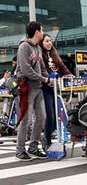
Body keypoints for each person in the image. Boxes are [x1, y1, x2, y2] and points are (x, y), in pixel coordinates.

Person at [15, 21, 51, 160]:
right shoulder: (24, 47)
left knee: (42, 117)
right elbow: (26, 70)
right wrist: (45, 79)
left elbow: (42, 68)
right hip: (27, 88)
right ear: (36, 32)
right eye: (41, 30)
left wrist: (49, 79)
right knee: (26, 120)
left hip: (38, 88)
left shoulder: (37, 48)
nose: (43, 32)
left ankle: (33, 147)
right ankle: (20, 149)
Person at [40, 34, 72, 150]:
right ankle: (46, 139)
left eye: (50, 41)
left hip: (56, 89)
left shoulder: (54, 54)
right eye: (46, 41)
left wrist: (68, 74)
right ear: (41, 43)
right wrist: (49, 79)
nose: (49, 43)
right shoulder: (40, 55)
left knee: (58, 115)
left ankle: (47, 136)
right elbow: (42, 71)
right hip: (45, 89)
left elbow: (62, 67)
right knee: (51, 116)